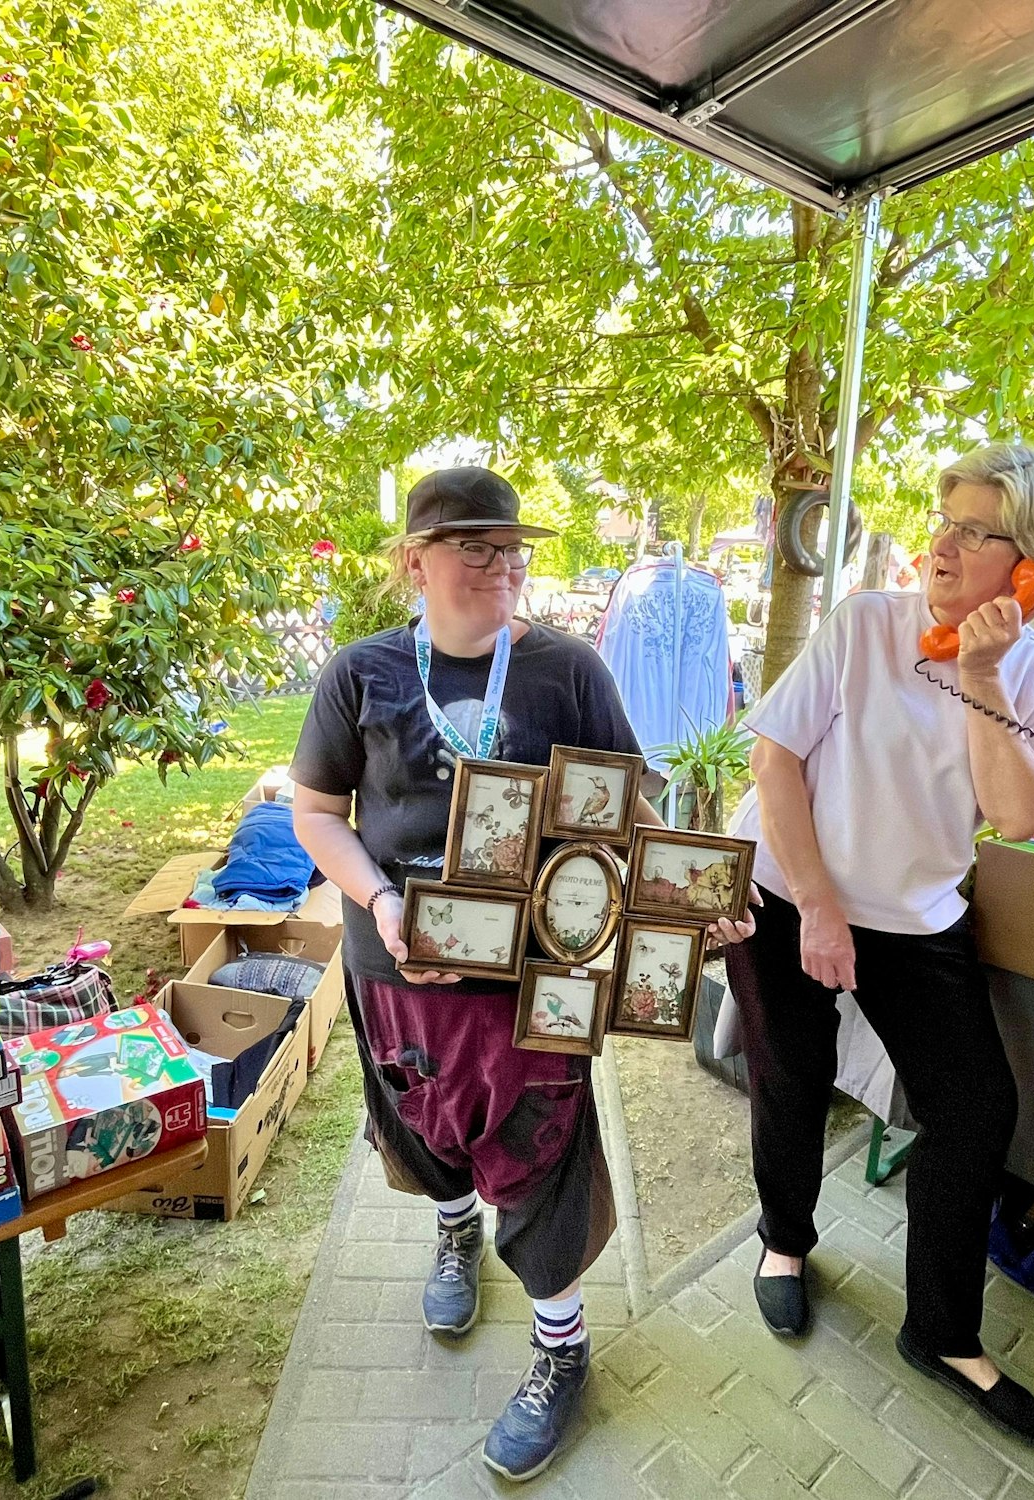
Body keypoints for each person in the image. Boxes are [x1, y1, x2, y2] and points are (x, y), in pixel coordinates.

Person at [288, 466, 749, 1482]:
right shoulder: (359, 673)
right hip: (396, 963)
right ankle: (452, 1234)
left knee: (537, 1153)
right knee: (422, 1124)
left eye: (513, 550)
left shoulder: (565, 668)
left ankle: (560, 1346)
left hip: (539, 973)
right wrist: (379, 899)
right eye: (474, 549)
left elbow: (628, 809)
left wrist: (689, 899)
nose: (503, 568)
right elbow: (316, 814)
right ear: (414, 561)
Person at [724, 442, 1034, 1449]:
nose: (941, 542)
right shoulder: (860, 624)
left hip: (918, 918)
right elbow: (775, 762)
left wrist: (979, 671)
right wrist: (816, 906)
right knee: (789, 1079)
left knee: (973, 1111)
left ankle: (938, 1332)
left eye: (977, 531)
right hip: (785, 890)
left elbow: (1016, 815)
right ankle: (784, 1245)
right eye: (944, 517)